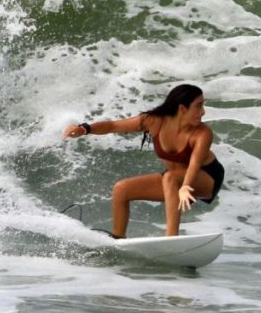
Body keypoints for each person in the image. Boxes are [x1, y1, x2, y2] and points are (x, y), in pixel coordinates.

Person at [63, 84, 224, 238]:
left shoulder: (202, 133)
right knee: (122, 189)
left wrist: (185, 187)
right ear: (182, 109)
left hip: (206, 177)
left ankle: (171, 239)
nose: (203, 112)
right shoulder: (154, 121)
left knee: (170, 177)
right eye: (198, 106)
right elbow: (113, 126)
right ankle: (118, 239)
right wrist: (85, 129)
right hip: (174, 180)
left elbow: (194, 163)